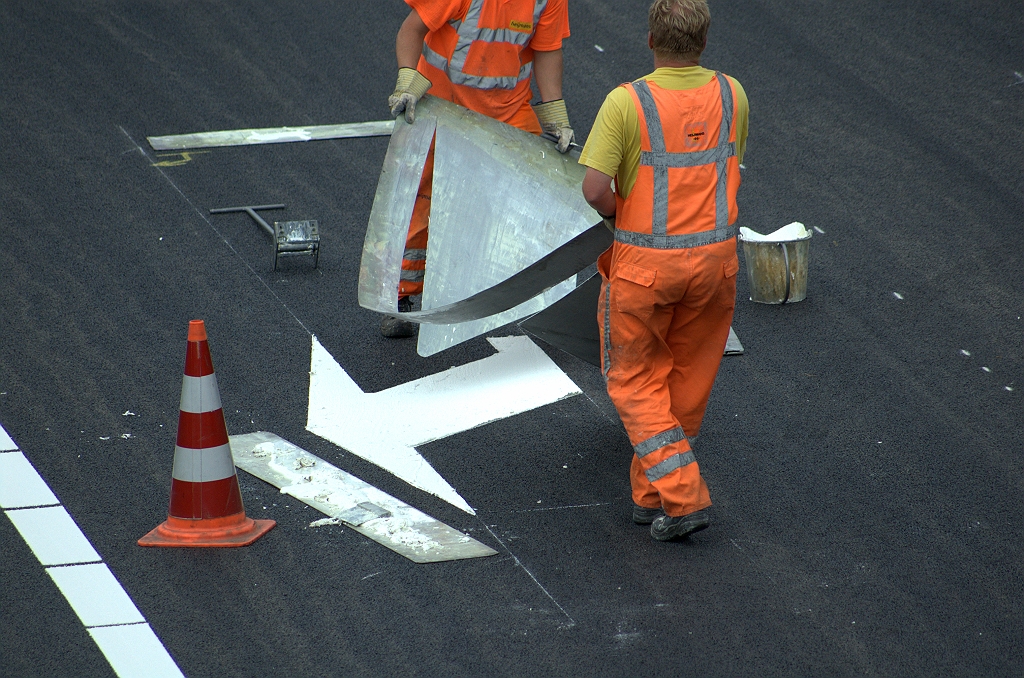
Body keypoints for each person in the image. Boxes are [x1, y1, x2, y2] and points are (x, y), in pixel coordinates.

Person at [579, 0, 748, 541]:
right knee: (686, 380)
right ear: (703, 41)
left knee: (632, 379)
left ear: (650, 39)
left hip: (646, 269)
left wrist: (619, 213)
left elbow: (595, 191)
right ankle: (650, 493)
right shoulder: (731, 93)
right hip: (716, 265)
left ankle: (681, 497)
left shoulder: (626, 103)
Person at [381, 0, 575, 337]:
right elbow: (411, 30)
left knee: (543, 189)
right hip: (442, 103)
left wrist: (555, 115)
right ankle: (401, 299)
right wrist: (406, 80)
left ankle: (540, 296)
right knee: (420, 198)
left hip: (508, 108)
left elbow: (547, 50)